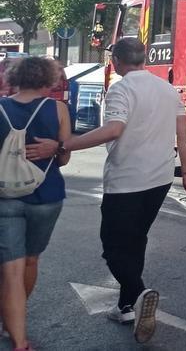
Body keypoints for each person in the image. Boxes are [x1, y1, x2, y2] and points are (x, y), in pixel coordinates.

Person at [32, 39, 186, 344]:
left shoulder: (121, 89)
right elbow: (184, 132)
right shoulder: (166, 88)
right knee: (136, 239)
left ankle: (138, 293)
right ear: (144, 58)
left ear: (118, 60)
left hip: (127, 179)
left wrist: (62, 144)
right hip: (161, 178)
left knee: (112, 245)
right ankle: (126, 306)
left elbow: (113, 130)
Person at [0, 57, 71, 351]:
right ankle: (11, 321)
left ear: (14, 77)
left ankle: (18, 340)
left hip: (4, 196)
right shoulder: (58, 109)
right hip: (47, 196)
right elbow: (64, 157)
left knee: (10, 270)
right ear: (47, 80)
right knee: (30, 260)